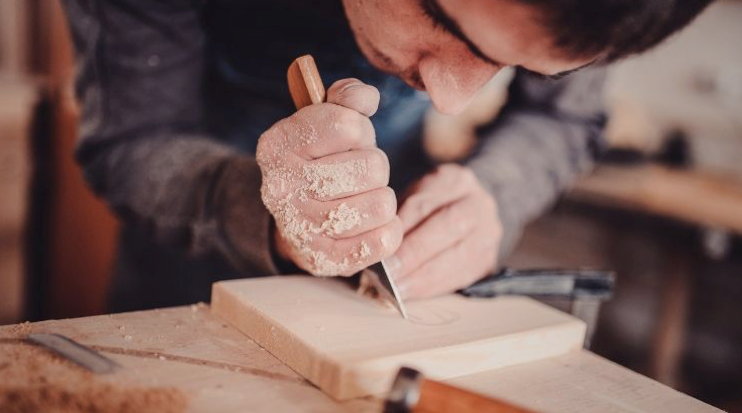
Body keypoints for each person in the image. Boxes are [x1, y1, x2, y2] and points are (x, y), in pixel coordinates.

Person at [61, 0, 712, 311]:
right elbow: (132, 138)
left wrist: (495, 194)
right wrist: (263, 218)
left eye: (515, 65)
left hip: (385, 285)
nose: (451, 102)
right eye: (449, 27)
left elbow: (564, 117)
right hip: (187, 279)